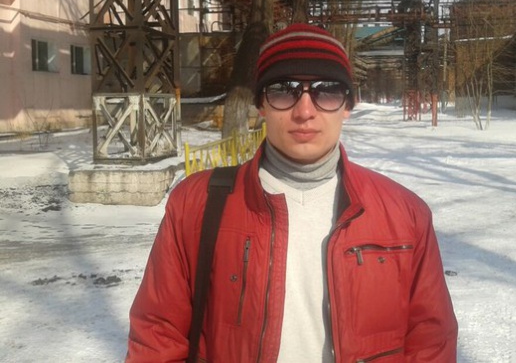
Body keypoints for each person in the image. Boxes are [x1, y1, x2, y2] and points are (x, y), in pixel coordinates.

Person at [125, 23, 458, 362]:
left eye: (327, 91)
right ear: (261, 104)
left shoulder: (405, 215)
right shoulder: (197, 205)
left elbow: (430, 343)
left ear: (347, 105)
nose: (304, 111)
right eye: (283, 91)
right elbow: (157, 336)